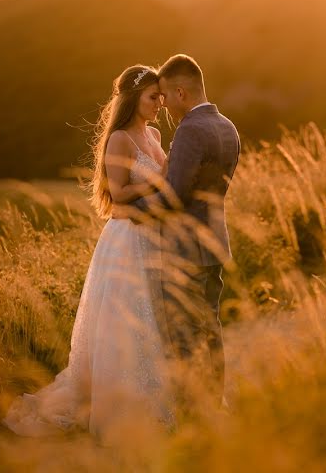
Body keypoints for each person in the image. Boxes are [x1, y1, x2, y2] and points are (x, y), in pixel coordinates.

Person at [2, 65, 173, 439]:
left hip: (155, 238)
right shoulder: (120, 140)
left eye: (161, 96)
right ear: (133, 98)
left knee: (152, 319)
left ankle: (152, 397)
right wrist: (161, 181)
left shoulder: (155, 134)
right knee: (124, 318)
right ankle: (113, 404)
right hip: (127, 239)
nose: (159, 104)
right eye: (152, 97)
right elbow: (120, 194)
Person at [131, 54, 241, 412]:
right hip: (213, 246)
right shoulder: (228, 126)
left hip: (183, 251)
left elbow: (174, 195)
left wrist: (131, 212)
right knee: (210, 333)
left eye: (165, 96)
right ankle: (210, 408)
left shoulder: (190, 130)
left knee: (181, 338)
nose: (163, 106)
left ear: (180, 92)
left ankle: (189, 418)